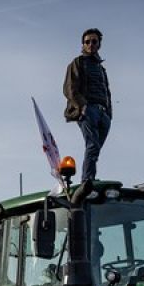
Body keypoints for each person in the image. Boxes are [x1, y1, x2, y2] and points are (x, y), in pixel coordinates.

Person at [63, 28, 112, 181]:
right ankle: (87, 181)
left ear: (99, 44)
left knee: (95, 150)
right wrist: (82, 107)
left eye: (94, 41)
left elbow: (106, 91)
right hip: (88, 109)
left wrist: (109, 114)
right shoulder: (78, 63)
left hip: (103, 114)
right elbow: (69, 88)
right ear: (83, 44)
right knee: (92, 146)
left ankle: (89, 179)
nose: (90, 44)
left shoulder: (101, 68)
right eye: (87, 42)